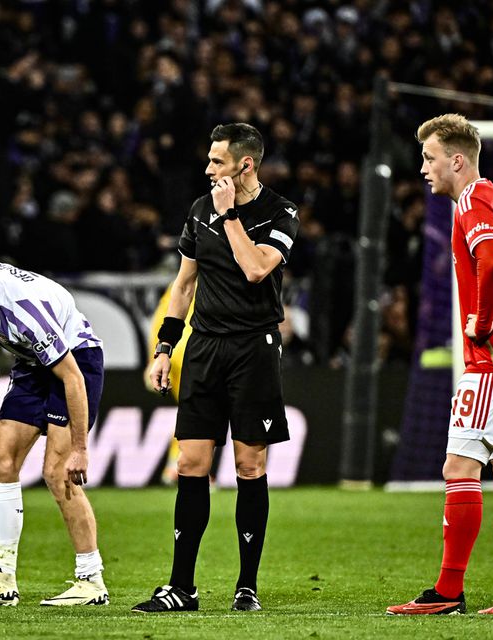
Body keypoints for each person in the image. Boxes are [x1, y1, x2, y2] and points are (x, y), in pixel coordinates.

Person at [132, 123, 299, 613]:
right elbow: (184, 285)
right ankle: (181, 587)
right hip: (204, 347)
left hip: (254, 349)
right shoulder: (199, 210)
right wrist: (165, 347)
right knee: (191, 464)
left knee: (250, 465)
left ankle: (246, 587)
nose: (208, 170)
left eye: (217, 161)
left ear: (246, 165)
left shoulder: (280, 212)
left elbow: (255, 269)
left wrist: (230, 218)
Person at [0, 243, 110, 607]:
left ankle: (91, 580)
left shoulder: (26, 317)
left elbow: (73, 380)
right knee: (0, 460)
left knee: (57, 472)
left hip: (74, 361)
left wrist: (80, 449)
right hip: (33, 364)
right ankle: (3, 579)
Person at [387, 114, 493, 616]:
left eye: (429, 158)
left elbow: (490, 259)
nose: (423, 168)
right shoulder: (471, 203)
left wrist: (480, 321)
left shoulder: (475, 197)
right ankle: (449, 591)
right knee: (465, 466)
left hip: (487, 361)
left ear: (457, 159)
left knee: (459, 467)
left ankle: (448, 592)